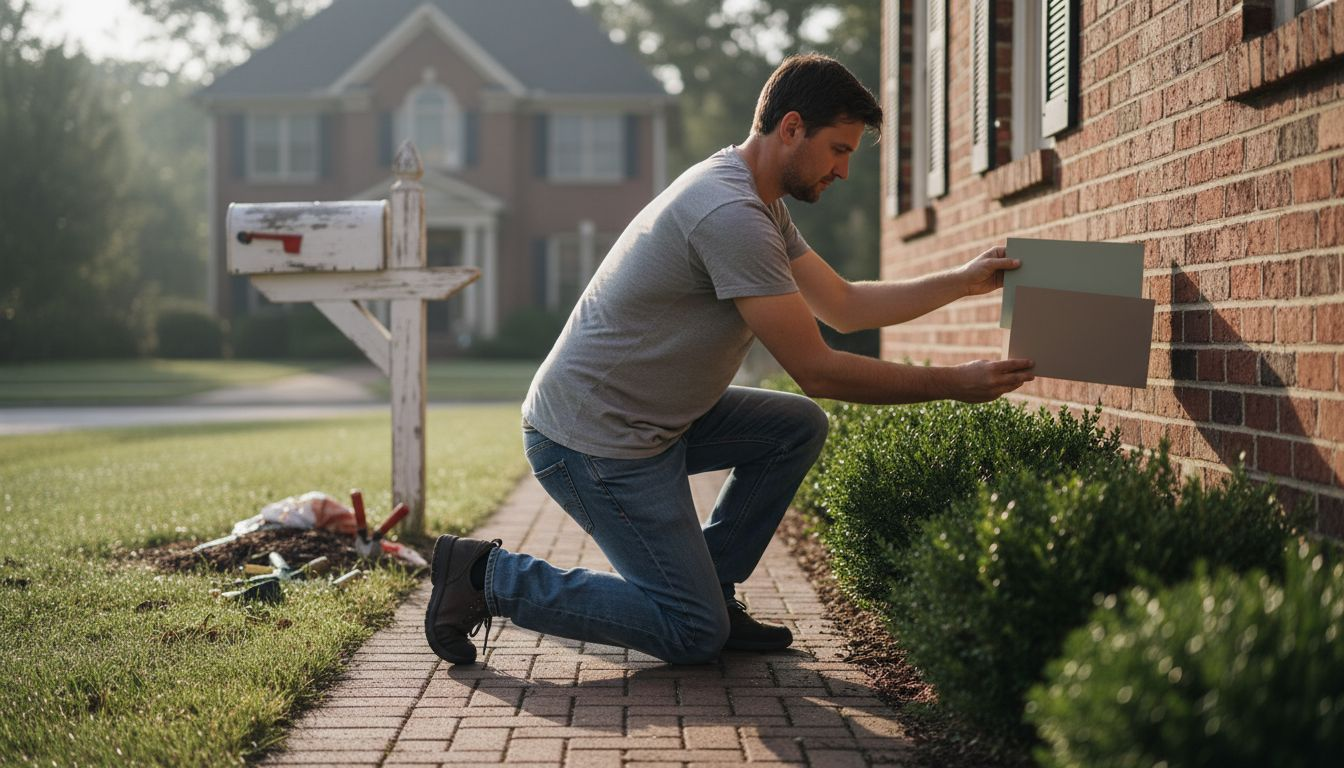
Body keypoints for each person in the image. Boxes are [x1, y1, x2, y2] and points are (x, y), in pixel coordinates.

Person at [424, 53, 1035, 666]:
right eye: (839, 149)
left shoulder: (761, 202)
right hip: (594, 440)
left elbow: (843, 306)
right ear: (791, 127)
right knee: (690, 633)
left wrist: (962, 281)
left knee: (793, 429)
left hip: (655, 419)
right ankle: (485, 577)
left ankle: (709, 587)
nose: (845, 171)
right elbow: (817, 370)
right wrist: (955, 383)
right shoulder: (729, 213)